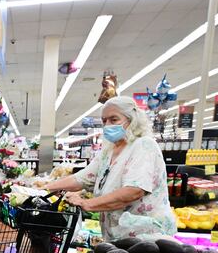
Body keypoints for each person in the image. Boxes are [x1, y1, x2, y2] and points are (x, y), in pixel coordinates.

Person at [45, 96, 176, 241]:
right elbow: (82, 178)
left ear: (132, 120)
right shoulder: (108, 151)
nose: (107, 125)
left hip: (146, 238)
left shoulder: (144, 146)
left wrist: (86, 203)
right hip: (116, 237)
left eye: (114, 120)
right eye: (104, 121)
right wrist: (45, 189)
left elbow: (134, 191)